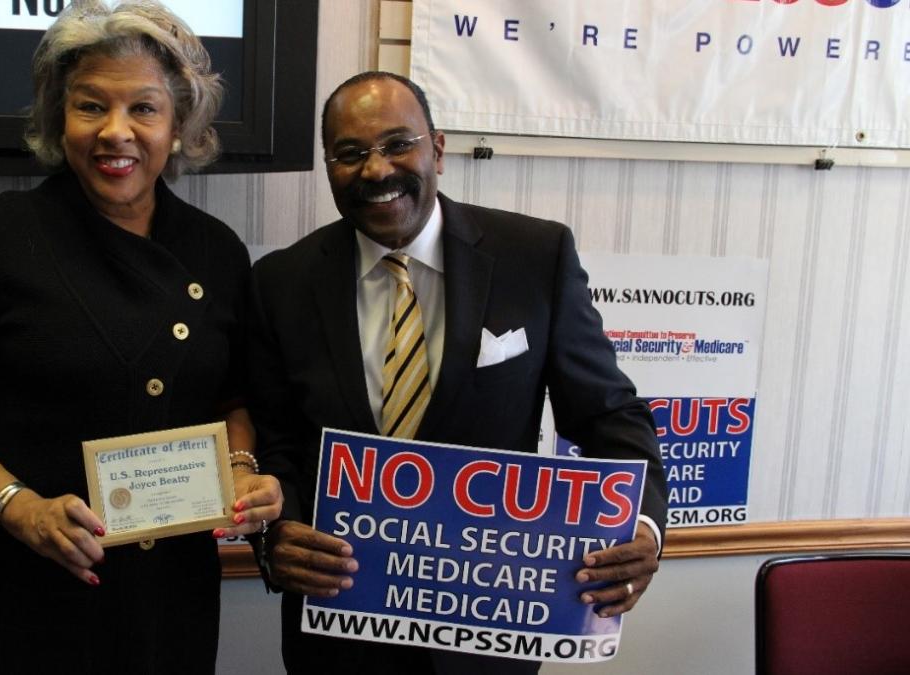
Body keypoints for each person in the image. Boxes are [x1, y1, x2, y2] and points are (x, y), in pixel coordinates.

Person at [0, 2, 281, 672]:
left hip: (173, 595)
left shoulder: (216, 251)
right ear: (58, 116)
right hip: (40, 589)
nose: (116, 133)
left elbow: (235, 402)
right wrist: (18, 508)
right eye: (90, 106)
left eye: (144, 108)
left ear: (180, 123)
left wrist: (244, 473)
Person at [247, 71, 668, 675]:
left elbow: (608, 416)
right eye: (349, 153)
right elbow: (277, 443)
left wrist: (645, 526)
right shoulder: (279, 284)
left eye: (398, 144)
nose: (376, 170)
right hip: (338, 635)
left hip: (491, 636)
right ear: (328, 167)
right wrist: (275, 535)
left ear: (436, 149)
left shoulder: (535, 257)